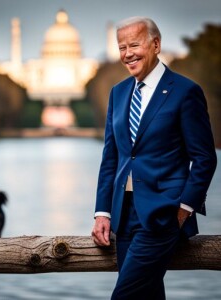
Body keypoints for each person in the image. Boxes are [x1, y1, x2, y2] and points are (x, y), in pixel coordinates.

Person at [91, 16, 217, 300]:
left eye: (134, 44)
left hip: (163, 215)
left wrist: (184, 208)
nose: (127, 54)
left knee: (124, 295)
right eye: (121, 47)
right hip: (124, 215)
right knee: (146, 296)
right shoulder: (118, 93)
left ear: (156, 44)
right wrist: (103, 212)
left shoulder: (185, 92)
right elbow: (112, 157)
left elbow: (205, 157)